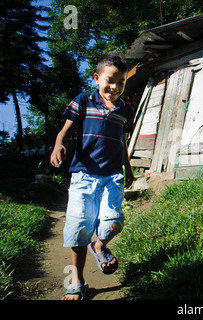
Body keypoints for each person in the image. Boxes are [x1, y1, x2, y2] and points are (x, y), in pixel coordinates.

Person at [50, 51, 135, 300]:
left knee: (113, 222)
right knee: (79, 227)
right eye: (110, 80)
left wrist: (127, 168)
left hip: (112, 175)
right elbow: (66, 130)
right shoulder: (84, 101)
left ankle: (99, 246)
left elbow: (122, 142)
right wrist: (59, 145)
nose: (114, 87)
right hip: (84, 175)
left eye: (121, 82)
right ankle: (78, 282)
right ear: (97, 78)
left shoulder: (126, 110)